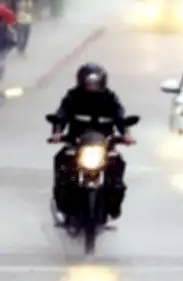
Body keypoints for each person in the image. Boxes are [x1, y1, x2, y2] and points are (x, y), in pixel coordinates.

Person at [49, 63, 135, 225]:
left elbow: (120, 116)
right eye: (89, 82)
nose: (92, 86)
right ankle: (62, 204)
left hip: (104, 144)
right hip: (77, 143)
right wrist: (57, 132)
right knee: (61, 161)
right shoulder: (73, 96)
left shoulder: (110, 98)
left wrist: (126, 134)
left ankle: (113, 206)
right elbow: (62, 114)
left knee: (117, 167)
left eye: (96, 82)